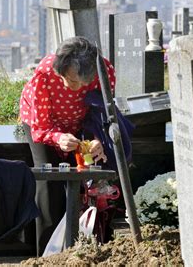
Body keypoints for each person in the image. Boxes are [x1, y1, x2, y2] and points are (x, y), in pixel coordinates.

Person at [19, 36, 116, 256]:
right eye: (72, 81)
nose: (77, 88)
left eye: (83, 83)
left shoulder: (104, 71)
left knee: (90, 176)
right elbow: (41, 126)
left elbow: (102, 112)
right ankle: (47, 254)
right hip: (42, 123)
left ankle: (87, 247)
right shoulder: (44, 74)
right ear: (60, 69)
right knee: (49, 180)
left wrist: (97, 139)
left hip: (82, 122)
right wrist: (57, 137)